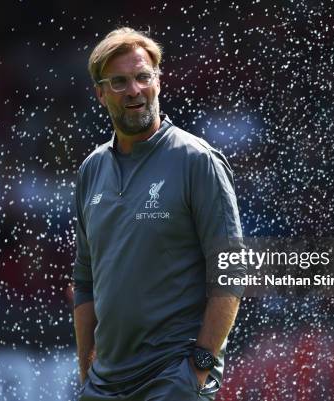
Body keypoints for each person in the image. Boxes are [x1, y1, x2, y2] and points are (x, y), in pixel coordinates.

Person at [73, 27, 243, 401]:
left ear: (158, 82)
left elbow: (230, 270)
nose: (134, 90)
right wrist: (86, 372)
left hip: (172, 379)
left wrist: (200, 365)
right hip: (104, 385)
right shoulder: (91, 170)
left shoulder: (197, 160)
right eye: (119, 82)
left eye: (142, 77)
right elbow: (84, 282)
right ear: (100, 93)